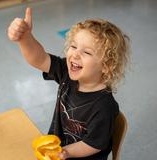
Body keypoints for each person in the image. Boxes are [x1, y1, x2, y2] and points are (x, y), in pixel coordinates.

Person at [8, 7, 130, 160]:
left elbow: (93, 144)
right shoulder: (67, 73)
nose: (75, 54)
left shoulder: (105, 106)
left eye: (86, 52)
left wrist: (65, 152)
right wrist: (25, 38)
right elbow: (39, 59)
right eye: (73, 46)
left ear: (106, 65)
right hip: (58, 151)